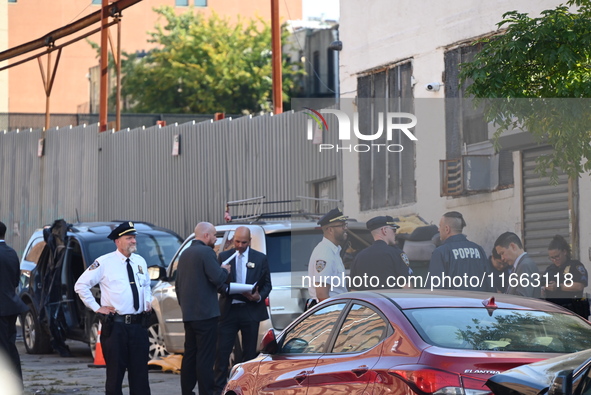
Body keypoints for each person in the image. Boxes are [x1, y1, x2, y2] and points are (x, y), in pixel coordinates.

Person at [74, 221, 153, 395]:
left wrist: (147, 300)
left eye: (134, 238)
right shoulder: (104, 262)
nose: (134, 241)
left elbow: (146, 285)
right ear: (117, 241)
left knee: (140, 377)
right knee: (115, 377)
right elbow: (80, 285)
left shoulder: (140, 261)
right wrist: (97, 307)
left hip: (139, 326)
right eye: (129, 238)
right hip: (116, 328)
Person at [213, 226, 272, 395]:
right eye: (237, 241)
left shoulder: (260, 258)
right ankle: (218, 390)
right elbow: (218, 284)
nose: (240, 245)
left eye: (244, 242)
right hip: (229, 310)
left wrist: (258, 297)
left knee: (249, 354)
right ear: (233, 240)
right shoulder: (224, 257)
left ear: (250, 241)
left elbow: (268, 284)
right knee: (222, 352)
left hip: (250, 310)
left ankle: (247, 389)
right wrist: (227, 288)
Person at [176, 222, 231, 395]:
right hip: (206, 315)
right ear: (206, 235)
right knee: (206, 358)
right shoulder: (206, 252)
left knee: (190, 355)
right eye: (214, 235)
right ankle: (206, 392)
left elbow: (178, 285)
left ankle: (187, 391)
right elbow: (217, 278)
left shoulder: (185, 254)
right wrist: (225, 270)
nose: (215, 239)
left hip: (189, 314)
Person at [428, 211, 488, 291]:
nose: (438, 229)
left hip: (454, 303)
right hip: (477, 302)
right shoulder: (478, 249)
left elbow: (435, 288)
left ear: (447, 229)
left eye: (440, 226)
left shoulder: (441, 252)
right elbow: (489, 284)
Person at [0, 221, 28, 389]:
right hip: (10, 305)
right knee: (9, 347)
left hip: (2, 309)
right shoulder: (11, 252)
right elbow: (15, 279)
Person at [349, 216, 412, 290]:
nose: (395, 233)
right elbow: (407, 286)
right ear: (384, 230)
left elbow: (353, 289)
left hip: (368, 301)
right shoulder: (397, 254)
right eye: (394, 230)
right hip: (389, 301)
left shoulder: (359, 257)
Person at [307, 208, 349, 309]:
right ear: (330, 230)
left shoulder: (333, 251)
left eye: (345, 225)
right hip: (331, 312)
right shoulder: (325, 253)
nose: (345, 228)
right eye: (341, 226)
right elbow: (322, 295)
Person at [543, 235, 589, 318]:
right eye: (551, 258)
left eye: (557, 256)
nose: (554, 260)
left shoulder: (575, 266)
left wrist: (559, 286)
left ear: (564, 252)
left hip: (572, 312)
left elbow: (579, 286)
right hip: (554, 312)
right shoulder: (550, 269)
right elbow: (541, 284)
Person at [494, 231, 541, 298]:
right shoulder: (518, 266)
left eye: (502, 253)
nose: (502, 258)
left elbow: (522, 299)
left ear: (513, 246)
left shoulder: (525, 265)